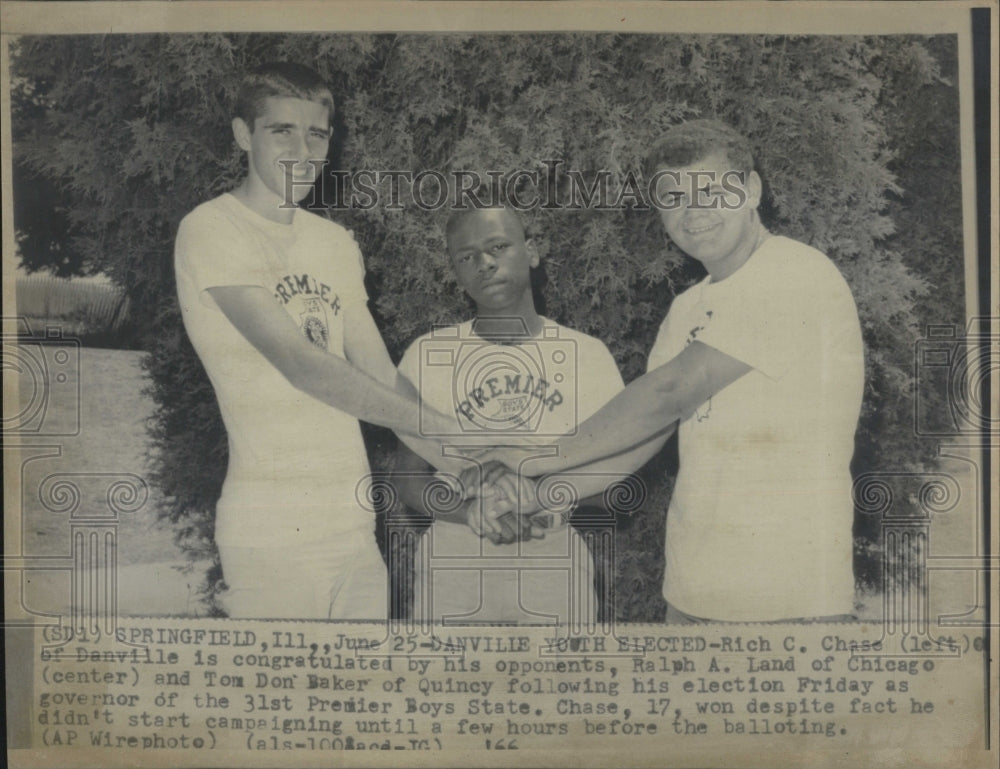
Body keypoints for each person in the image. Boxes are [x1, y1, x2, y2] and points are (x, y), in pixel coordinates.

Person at [479, 120, 865, 623]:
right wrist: (545, 495)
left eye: (710, 191)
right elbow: (642, 439)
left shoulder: (794, 272)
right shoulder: (687, 307)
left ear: (750, 191)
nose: (693, 212)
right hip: (691, 595)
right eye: (673, 197)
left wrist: (532, 456)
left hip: (788, 598)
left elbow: (671, 392)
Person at [174, 62, 454, 620]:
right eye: (282, 131)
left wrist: (465, 459)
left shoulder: (333, 242)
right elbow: (304, 365)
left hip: (352, 526)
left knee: (363, 698)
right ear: (241, 135)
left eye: (317, 134)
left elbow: (380, 373)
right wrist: (439, 430)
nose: (302, 149)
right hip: (269, 533)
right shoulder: (212, 229)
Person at [392, 205, 658, 625]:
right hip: (456, 560)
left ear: (532, 252)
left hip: (551, 558)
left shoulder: (586, 356)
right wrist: (470, 513)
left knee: (560, 690)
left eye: (499, 246)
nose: (485, 263)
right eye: (466, 256)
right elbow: (407, 479)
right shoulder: (428, 355)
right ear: (456, 271)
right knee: (449, 690)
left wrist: (542, 498)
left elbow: (615, 485)